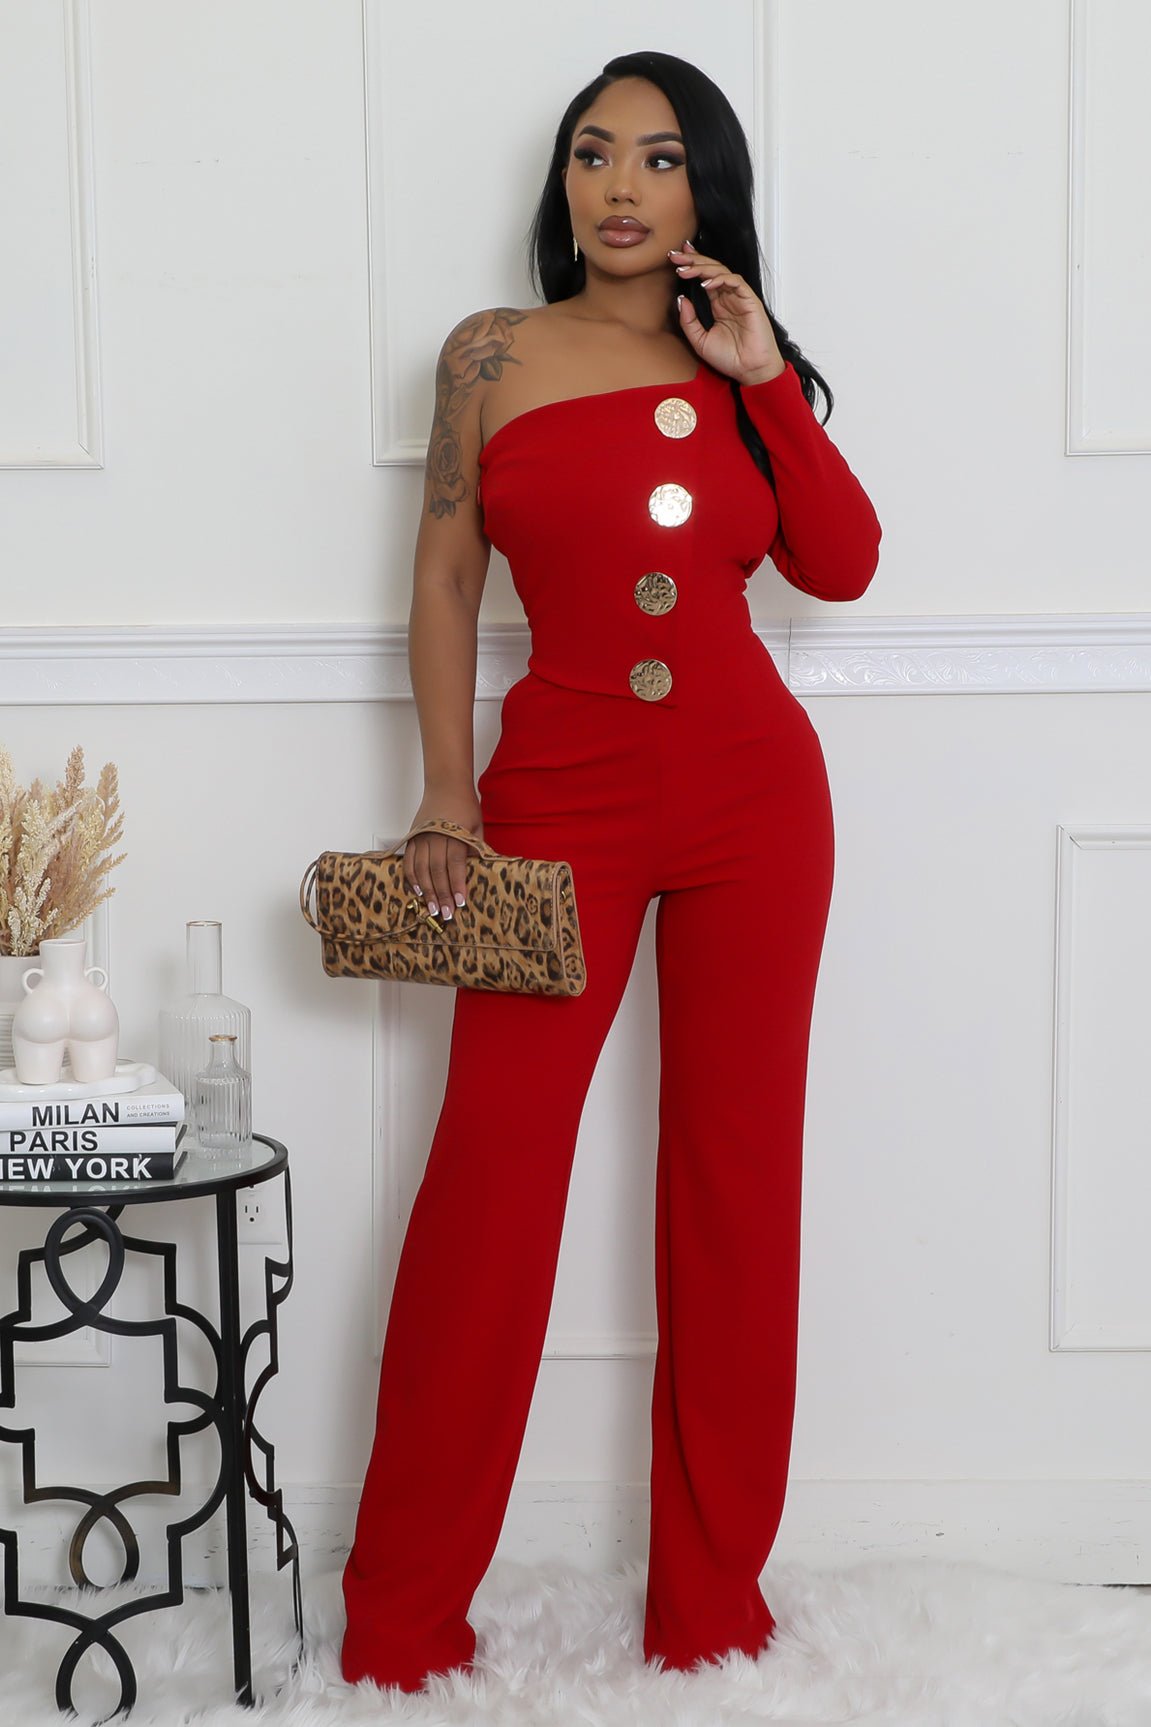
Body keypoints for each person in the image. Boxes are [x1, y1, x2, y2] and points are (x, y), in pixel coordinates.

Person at [340, 48, 882, 1696]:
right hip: (553, 804)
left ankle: (710, 1613)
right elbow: (445, 580)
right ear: (563, 181)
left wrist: (763, 374)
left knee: (736, 1192)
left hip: (751, 804)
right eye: (594, 153)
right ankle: (399, 1624)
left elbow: (842, 564)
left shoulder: (741, 364)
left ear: (707, 185)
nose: (622, 186)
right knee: (488, 1191)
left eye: (658, 156)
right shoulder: (490, 354)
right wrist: (447, 799)